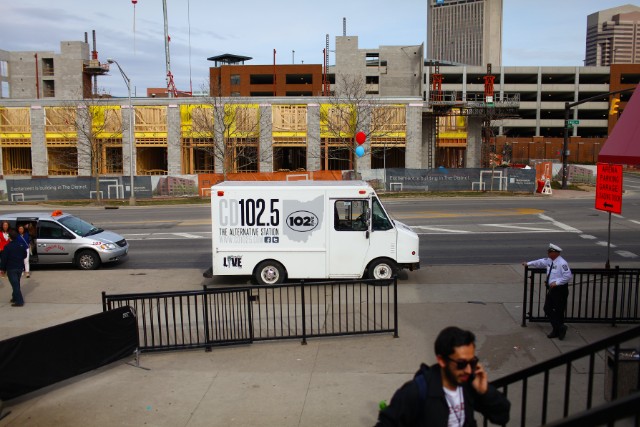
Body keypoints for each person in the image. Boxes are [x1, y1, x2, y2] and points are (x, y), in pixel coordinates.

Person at [376, 326, 510, 427]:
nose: (469, 370)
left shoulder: (468, 384)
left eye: (472, 362)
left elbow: (502, 416)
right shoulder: (416, 391)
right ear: (442, 360)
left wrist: (485, 392)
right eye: (461, 364)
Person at [523, 243, 572, 340]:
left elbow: (568, 276)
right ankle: (559, 328)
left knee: (558, 310)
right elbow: (540, 262)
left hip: (560, 290)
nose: (548, 253)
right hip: (553, 289)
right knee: (548, 308)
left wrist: (557, 283)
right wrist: (528, 263)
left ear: (555, 253)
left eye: (550, 252)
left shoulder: (562, 263)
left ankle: (558, 330)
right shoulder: (550, 261)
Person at [0, 229, 27, 307]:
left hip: (11, 268)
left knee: (15, 285)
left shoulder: (7, 247)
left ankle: (19, 301)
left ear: (9, 237)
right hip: (19, 267)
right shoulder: (21, 245)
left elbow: (4, 259)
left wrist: (2, 268)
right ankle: (14, 297)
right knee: (16, 283)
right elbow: (24, 255)